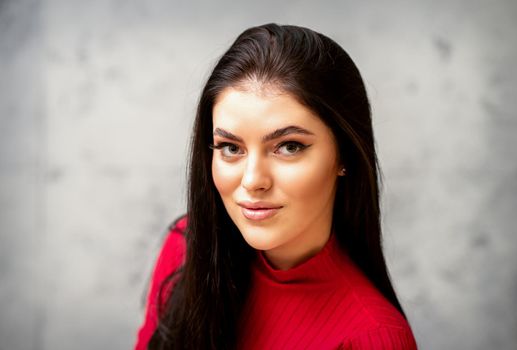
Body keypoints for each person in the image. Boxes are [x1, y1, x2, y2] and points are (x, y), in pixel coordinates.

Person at [134, 23, 417, 350]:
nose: (253, 180)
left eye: (289, 146)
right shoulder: (186, 248)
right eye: (230, 148)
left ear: (345, 156)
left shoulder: (374, 338)